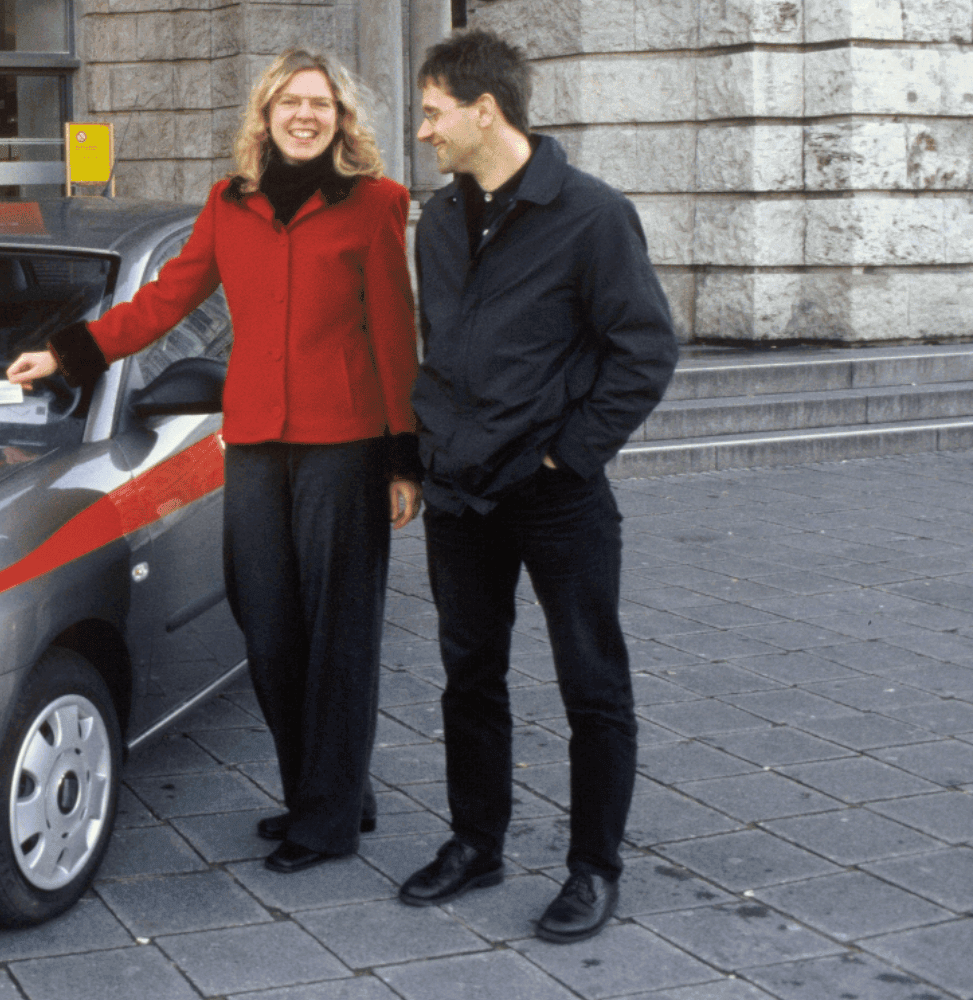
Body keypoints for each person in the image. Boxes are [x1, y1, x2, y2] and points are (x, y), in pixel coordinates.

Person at [7, 48, 422, 875]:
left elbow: (395, 333)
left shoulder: (377, 203)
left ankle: (327, 817)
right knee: (268, 625)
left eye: (321, 103)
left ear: (341, 119)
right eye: (290, 102)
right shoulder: (229, 205)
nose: (305, 115)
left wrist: (403, 458)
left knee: (338, 636)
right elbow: (165, 301)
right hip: (258, 444)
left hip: (345, 448)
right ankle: (329, 789)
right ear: (264, 115)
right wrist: (69, 353)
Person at [396, 29, 677, 944]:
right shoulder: (440, 222)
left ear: (486, 111)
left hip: (557, 499)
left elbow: (645, 351)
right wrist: (431, 449)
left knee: (592, 684)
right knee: (468, 676)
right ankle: (476, 843)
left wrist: (567, 455)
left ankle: (594, 867)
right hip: (460, 495)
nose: (423, 131)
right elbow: (443, 348)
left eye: (433, 112)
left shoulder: (593, 215)